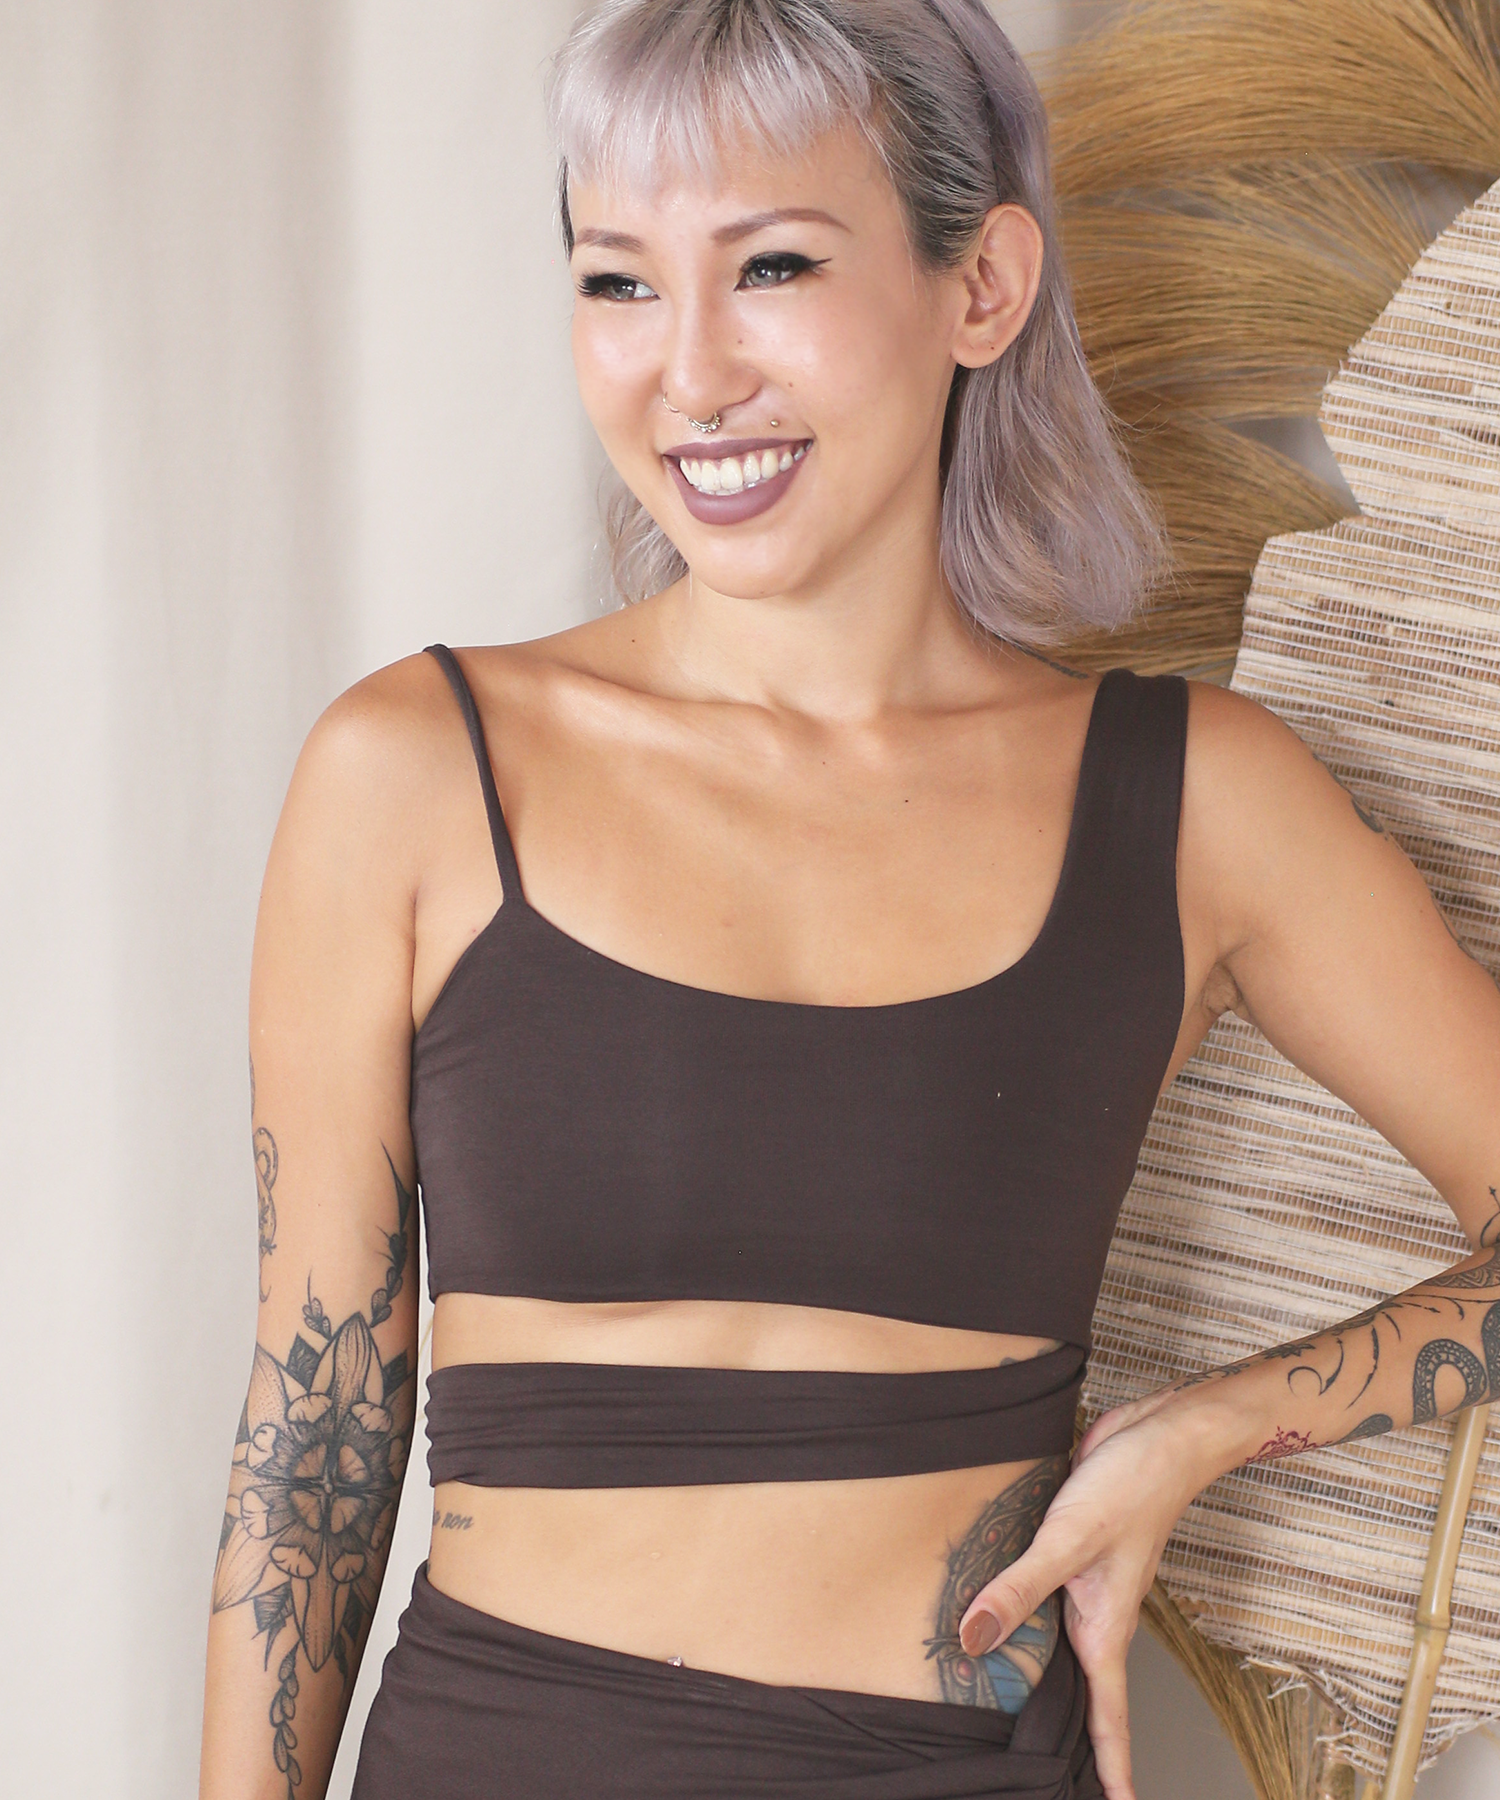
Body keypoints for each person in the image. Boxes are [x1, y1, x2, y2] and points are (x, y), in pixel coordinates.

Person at [197, 4, 1500, 1798]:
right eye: (619, 281)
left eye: (774, 266)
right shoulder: (413, 773)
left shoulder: (1196, 801)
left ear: (984, 287)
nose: (691, 371)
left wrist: (1212, 1427)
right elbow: (311, 1447)